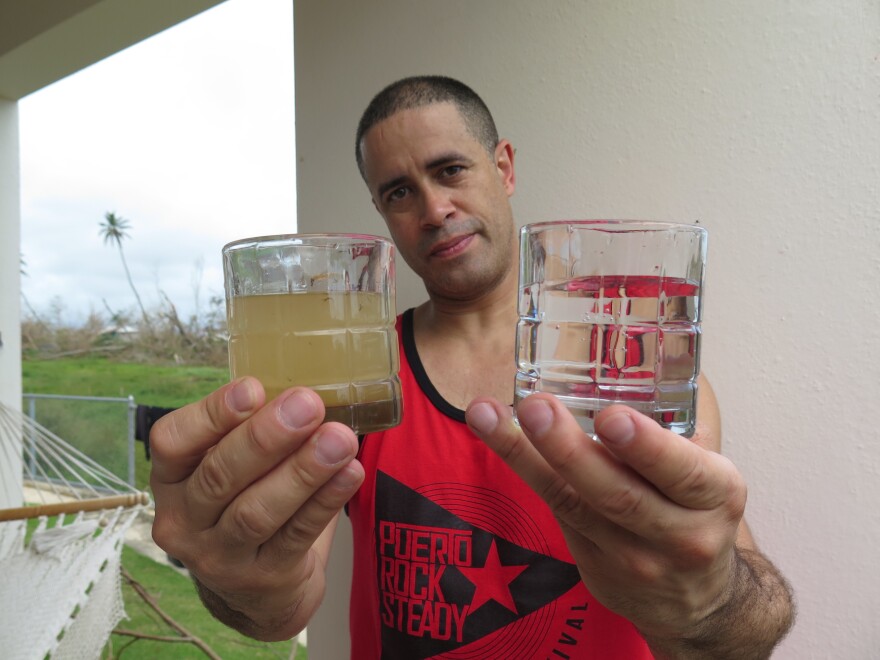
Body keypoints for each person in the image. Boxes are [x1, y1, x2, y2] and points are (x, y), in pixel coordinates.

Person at [150, 76, 794, 658]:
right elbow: (280, 603)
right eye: (400, 191)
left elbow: (734, 638)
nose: (433, 210)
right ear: (381, 212)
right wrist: (236, 577)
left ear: (503, 166)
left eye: (450, 169)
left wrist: (707, 606)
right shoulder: (358, 376)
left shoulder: (631, 368)